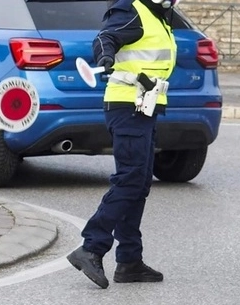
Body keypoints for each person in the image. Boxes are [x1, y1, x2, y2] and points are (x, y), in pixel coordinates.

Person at [67, 0, 178, 289]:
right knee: (130, 179)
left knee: (139, 183)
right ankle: (91, 247)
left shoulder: (158, 17)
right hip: (127, 105)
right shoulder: (133, 9)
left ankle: (129, 261)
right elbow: (106, 37)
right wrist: (105, 56)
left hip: (145, 106)